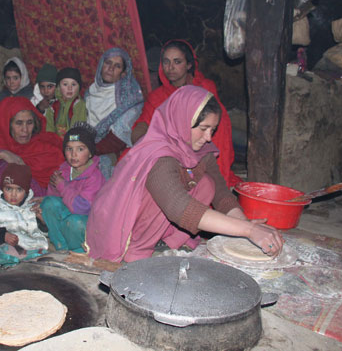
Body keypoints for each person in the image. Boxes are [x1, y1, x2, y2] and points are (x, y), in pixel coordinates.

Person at [85, 86, 284, 263]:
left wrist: (245, 225)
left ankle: (167, 242)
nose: (208, 138)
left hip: (157, 217)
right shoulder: (158, 154)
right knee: (163, 195)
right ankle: (136, 251)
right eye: (203, 129)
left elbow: (222, 195)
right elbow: (178, 207)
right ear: (182, 119)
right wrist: (248, 231)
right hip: (120, 225)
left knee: (207, 183)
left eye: (212, 130)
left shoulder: (196, 147)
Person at [131, 39, 241, 187]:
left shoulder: (204, 88)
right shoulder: (157, 97)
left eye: (177, 62)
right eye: (166, 62)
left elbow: (216, 125)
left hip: (201, 148)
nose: (170, 67)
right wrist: (155, 145)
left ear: (189, 64)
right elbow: (141, 127)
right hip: (169, 152)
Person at [33, 123, 105, 252]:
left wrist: (61, 186)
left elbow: (81, 208)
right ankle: (60, 247)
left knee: (74, 222)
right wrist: (53, 188)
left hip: (87, 223)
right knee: (48, 203)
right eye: (69, 149)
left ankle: (78, 251)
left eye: (80, 149)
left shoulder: (95, 177)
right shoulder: (64, 170)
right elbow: (56, 198)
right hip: (69, 216)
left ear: (90, 153)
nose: (73, 154)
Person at [0, 164, 48, 279]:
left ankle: (14, 268)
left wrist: (42, 221)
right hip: (5, 245)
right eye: (9, 189)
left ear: (26, 191)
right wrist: (2, 235)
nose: (13, 194)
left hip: (29, 246)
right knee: (7, 251)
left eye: (19, 190)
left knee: (44, 255)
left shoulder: (32, 207)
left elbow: (41, 233)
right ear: (2, 188)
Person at [85, 47, 144, 178]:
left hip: (114, 153)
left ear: (123, 73)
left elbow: (118, 138)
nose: (110, 68)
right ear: (101, 65)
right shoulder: (90, 92)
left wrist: (88, 151)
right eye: (108, 63)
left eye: (117, 66)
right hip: (86, 148)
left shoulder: (129, 98)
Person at [0, 57, 33, 127]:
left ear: (23, 77)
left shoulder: (31, 96)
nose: (11, 82)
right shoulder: (3, 95)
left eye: (15, 78)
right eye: (8, 78)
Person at [45, 68, 87, 137]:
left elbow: (78, 131)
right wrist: (52, 141)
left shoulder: (79, 105)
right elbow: (49, 130)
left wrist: (67, 142)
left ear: (79, 87)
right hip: (56, 142)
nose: (70, 88)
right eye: (65, 84)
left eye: (73, 84)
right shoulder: (53, 107)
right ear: (58, 87)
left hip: (74, 141)